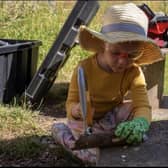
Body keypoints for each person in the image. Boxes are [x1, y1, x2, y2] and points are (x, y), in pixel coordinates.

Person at [52, 2, 162, 165]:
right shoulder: (84, 68)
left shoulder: (133, 71)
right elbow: (71, 104)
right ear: (103, 45)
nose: (122, 62)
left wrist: (141, 122)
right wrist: (77, 110)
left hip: (110, 117)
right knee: (89, 155)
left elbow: (142, 105)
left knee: (134, 108)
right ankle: (62, 133)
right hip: (84, 123)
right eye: (115, 53)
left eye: (131, 56)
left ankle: (113, 135)